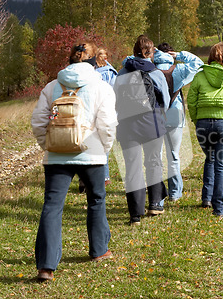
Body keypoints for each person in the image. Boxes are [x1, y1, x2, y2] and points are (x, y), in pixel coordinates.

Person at [31, 40, 117, 281]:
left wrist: (49, 145)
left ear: (69, 60)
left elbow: (38, 122)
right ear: (94, 62)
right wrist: (104, 149)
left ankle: (46, 267)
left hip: (57, 155)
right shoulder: (101, 87)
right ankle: (99, 251)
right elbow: (108, 124)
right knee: (96, 200)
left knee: (52, 205)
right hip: (92, 153)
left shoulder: (52, 87)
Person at [114, 35, 170, 225]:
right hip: (151, 123)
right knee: (154, 162)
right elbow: (166, 99)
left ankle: (135, 214)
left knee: (133, 167)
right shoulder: (156, 73)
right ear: (151, 52)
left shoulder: (122, 73)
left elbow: (115, 98)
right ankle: (155, 203)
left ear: (134, 51)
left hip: (128, 125)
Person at [187, 42, 223, 217]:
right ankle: (219, 208)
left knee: (210, 158)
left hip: (204, 124)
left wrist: (196, 120)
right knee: (220, 165)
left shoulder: (200, 76)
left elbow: (191, 100)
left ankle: (206, 197)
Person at [153, 42, 203, 202]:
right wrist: (179, 55)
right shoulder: (178, 70)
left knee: (157, 156)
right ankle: (174, 192)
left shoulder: (150, 70)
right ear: (170, 54)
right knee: (173, 155)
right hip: (175, 114)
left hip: (155, 115)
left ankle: (157, 195)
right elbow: (199, 64)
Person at [95, 48, 119, 185]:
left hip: (94, 112)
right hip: (109, 113)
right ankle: (104, 177)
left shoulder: (91, 72)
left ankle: (87, 178)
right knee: (105, 145)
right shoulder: (112, 73)